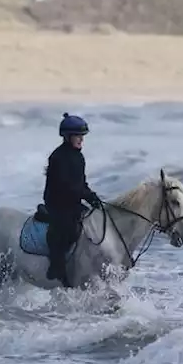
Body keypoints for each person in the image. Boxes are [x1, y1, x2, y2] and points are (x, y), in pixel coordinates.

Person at [42, 113, 104, 285]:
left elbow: (81, 183)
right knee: (66, 228)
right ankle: (57, 266)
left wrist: (92, 197)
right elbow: (65, 186)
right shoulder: (58, 157)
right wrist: (85, 194)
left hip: (72, 202)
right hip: (57, 203)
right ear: (68, 137)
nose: (81, 140)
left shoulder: (79, 156)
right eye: (78, 136)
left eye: (82, 136)